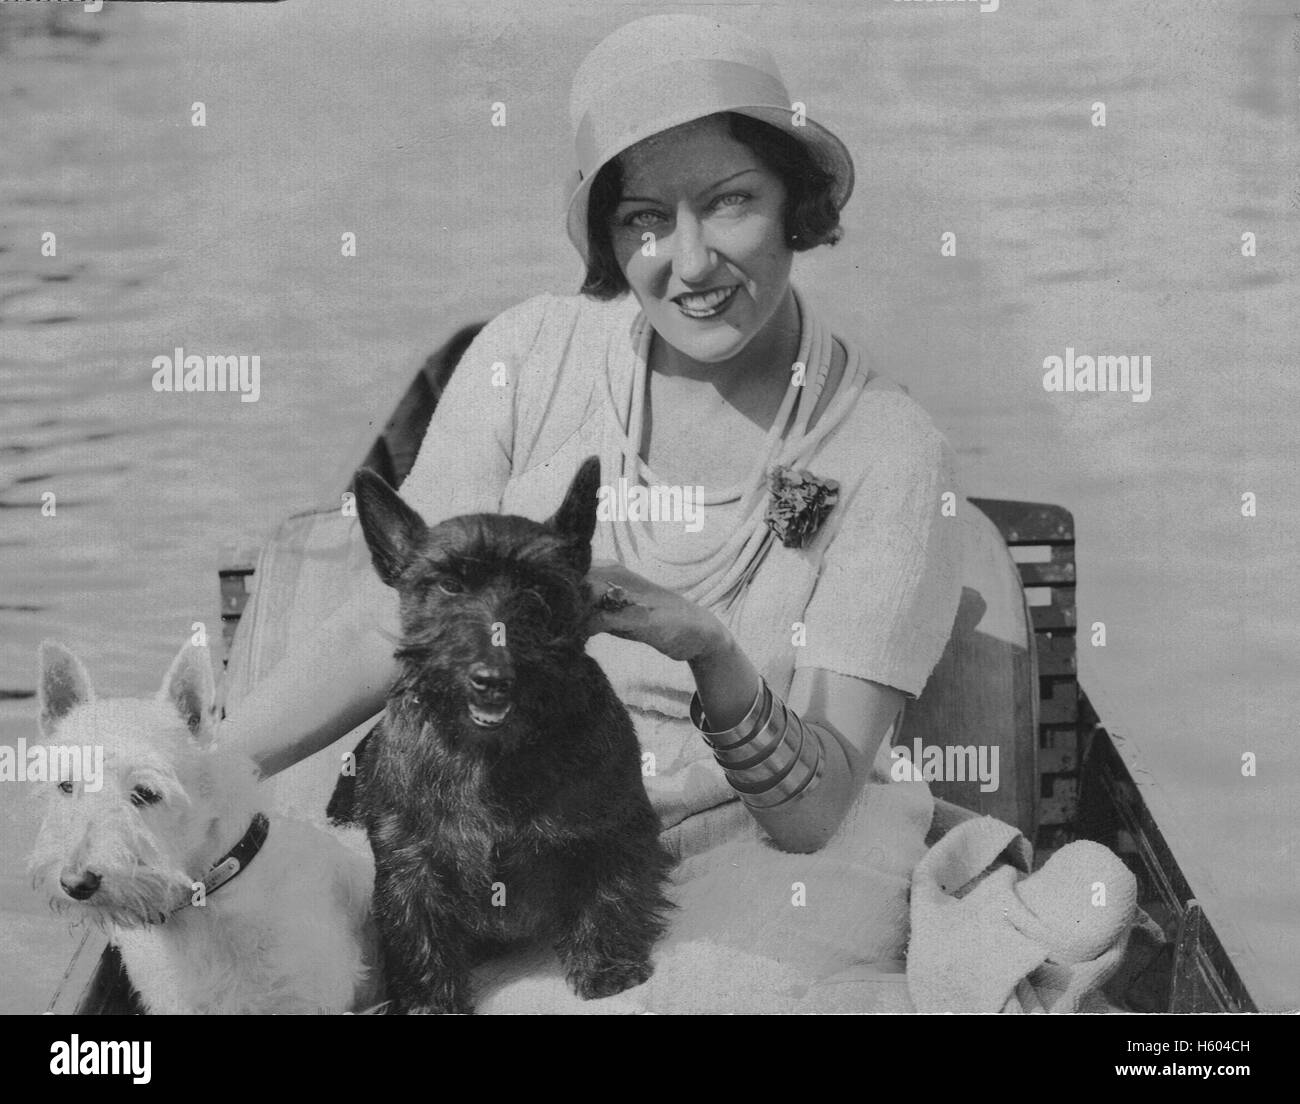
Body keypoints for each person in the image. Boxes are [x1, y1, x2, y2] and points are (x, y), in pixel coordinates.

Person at [222, 14, 965, 1012]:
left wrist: (711, 649)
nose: (690, 263)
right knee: (259, 955)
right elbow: (381, 624)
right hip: (475, 799)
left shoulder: (888, 448)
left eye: (730, 202)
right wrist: (202, 769)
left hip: (742, 841)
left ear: (797, 199)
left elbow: (817, 806)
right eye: (646, 218)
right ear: (614, 238)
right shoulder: (527, 357)